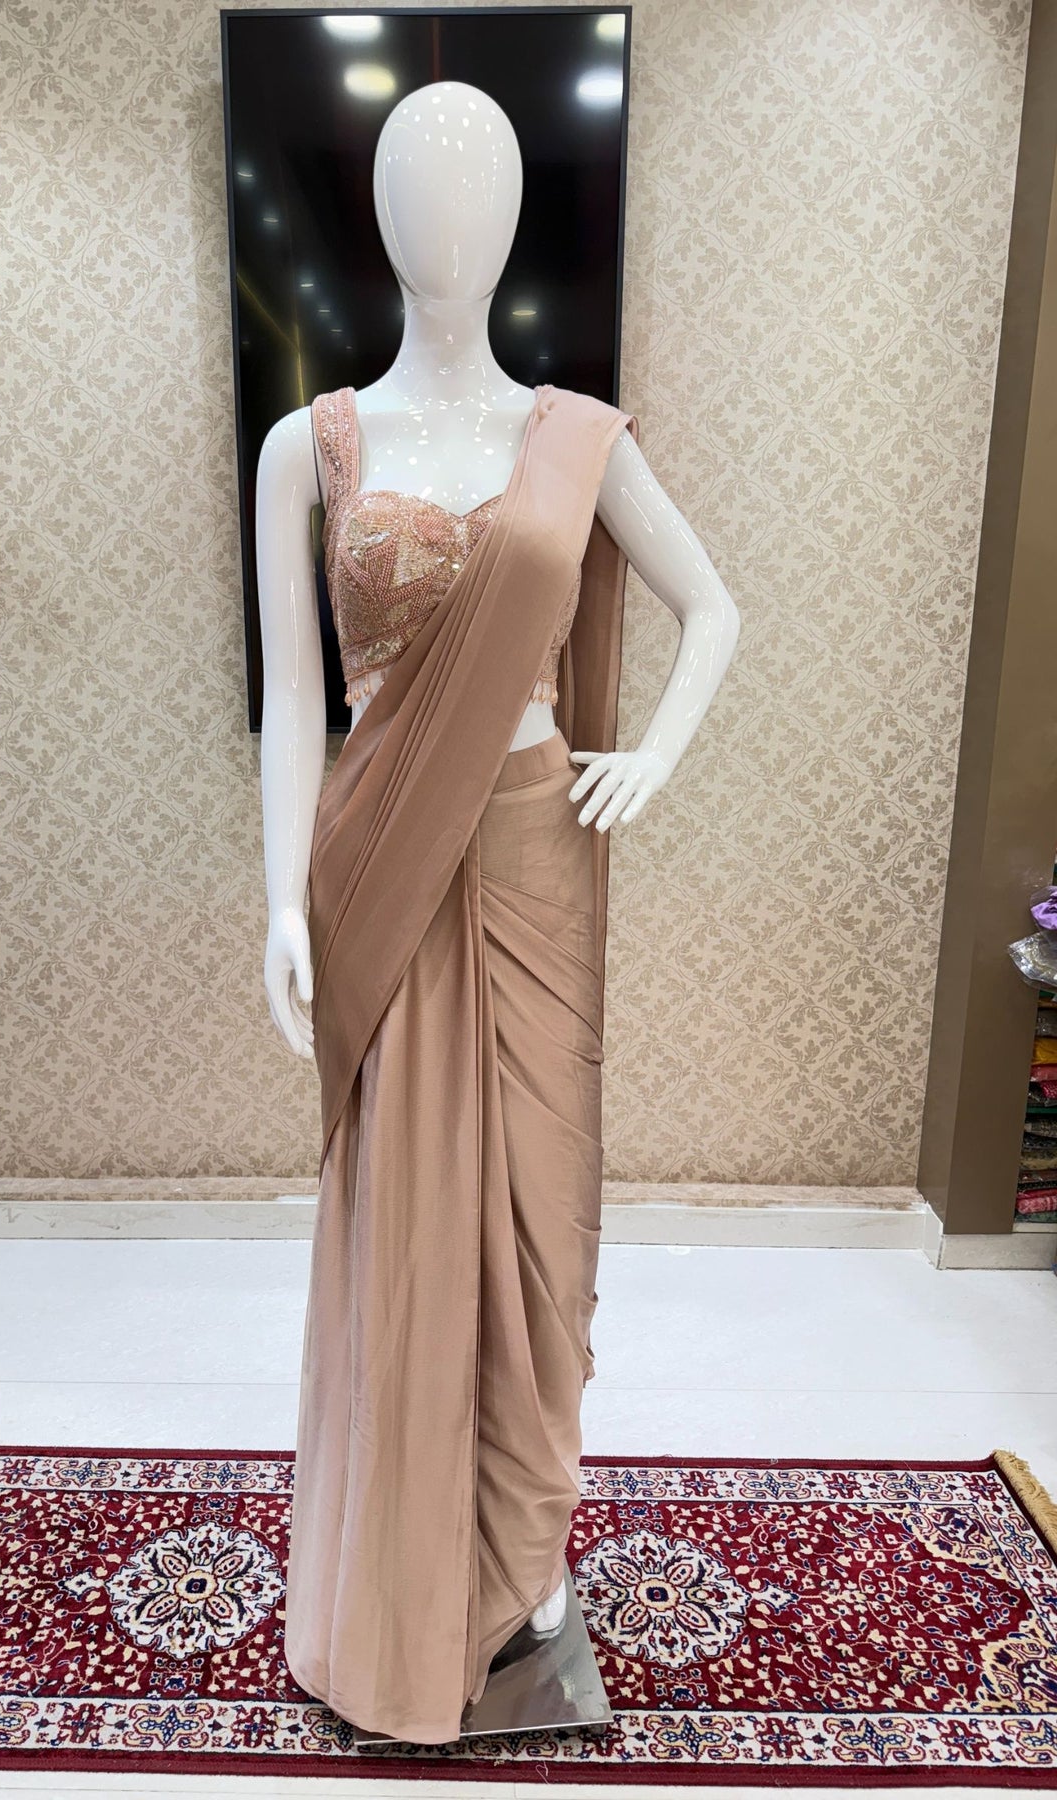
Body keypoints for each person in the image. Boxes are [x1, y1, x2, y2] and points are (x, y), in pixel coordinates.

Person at [255, 81, 739, 1746]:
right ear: (377, 217)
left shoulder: (576, 439)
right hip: (378, 861)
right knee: (404, 1216)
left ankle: (516, 1562)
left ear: (518, 219)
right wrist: (281, 902)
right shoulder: (310, 445)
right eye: (417, 186)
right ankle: (399, 1578)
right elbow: (293, 702)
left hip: (532, 854)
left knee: (533, 1217)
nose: (446, 219)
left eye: (474, 189)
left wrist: (649, 756)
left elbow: (713, 608)